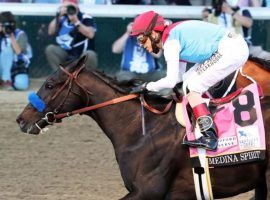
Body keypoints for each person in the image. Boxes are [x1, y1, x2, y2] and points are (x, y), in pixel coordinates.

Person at [130, 11, 249, 150]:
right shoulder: (172, 36)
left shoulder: (171, 42)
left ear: (154, 33)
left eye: (142, 39)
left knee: (193, 85)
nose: (141, 45)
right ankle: (204, 116)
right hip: (230, 46)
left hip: (230, 49)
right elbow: (179, 78)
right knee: (187, 82)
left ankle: (209, 136)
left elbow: (170, 81)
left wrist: (147, 86)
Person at [203, 0, 270, 59]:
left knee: (267, 57)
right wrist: (205, 17)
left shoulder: (242, 11)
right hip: (220, 49)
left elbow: (249, 23)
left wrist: (231, 12)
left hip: (243, 47)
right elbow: (206, 33)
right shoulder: (211, 12)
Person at [45, 0, 97, 71]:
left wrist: (76, 21)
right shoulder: (62, 18)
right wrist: (58, 16)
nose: (68, 9)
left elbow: (91, 34)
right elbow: (50, 32)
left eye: (70, 7)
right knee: (50, 49)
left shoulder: (85, 17)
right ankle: (61, 77)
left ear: (77, 7)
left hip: (82, 53)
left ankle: (86, 78)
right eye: (65, 7)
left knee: (90, 54)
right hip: (66, 53)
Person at [0, 11, 32, 90]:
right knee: (7, 51)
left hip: (16, 68)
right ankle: (6, 80)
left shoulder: (20, 34)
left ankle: (8, 81)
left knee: (21, 85)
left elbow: (19, 52)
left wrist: (11, 35)